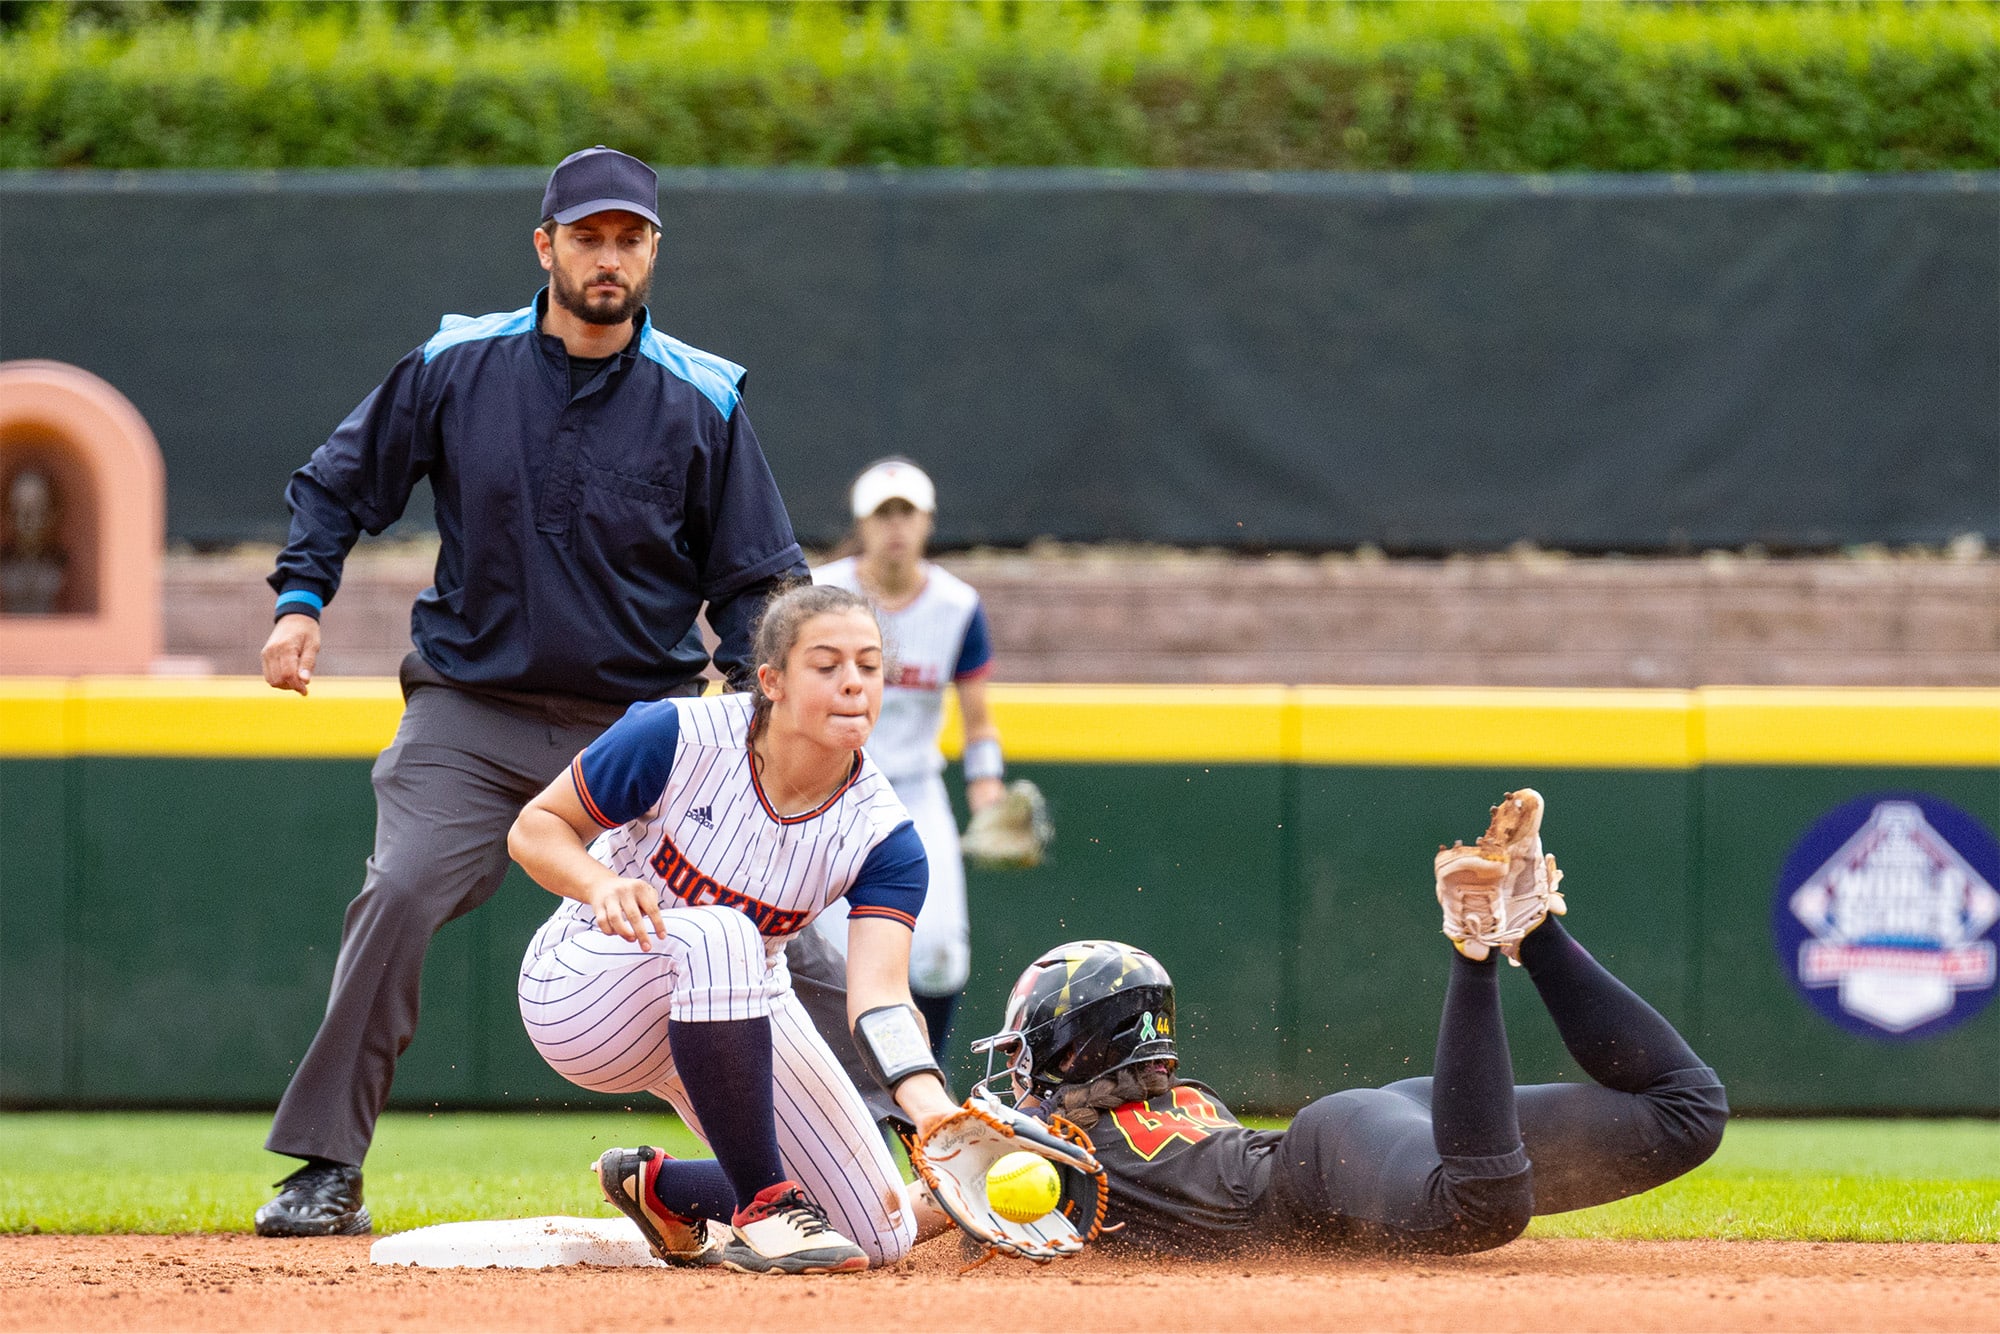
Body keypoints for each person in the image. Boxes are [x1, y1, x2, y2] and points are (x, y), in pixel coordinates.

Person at [253, 146, 809, 1237]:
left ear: (653, 251)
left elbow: (755, 580)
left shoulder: (702, 394)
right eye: (589, 237)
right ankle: (325, 1165)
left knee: (785, 921)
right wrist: (299, 600)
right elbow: (337, 479)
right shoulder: (459, 362)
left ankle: (873, 1139)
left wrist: (768, 712)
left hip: (638, 728)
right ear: (546, 245)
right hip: (471, 709)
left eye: (630, 238)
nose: (609, 258)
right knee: (400, 890)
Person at [964, 789, 1729, 1256]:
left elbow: (948, 1205)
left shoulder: (1065, 1153)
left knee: (1484, 1209)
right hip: (1386, 1123)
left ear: (1068, 1049)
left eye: (1031, 1045)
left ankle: (1475, 945)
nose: (1022, 1067)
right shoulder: (1150, 1112)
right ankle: (1532, 929)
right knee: (1686, 1112)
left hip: (1323, 1166)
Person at [511, 583, 962, 1273]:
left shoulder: (884, 836)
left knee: (878, 1234)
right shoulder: (675, 735)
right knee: (724, 933)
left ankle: (663, 1187)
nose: (853, 683)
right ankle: (766, 1209)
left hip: (736, 1014)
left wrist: (931, 1107)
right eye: (827, 664)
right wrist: (600, 883)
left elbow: (880, 997)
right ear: (772, 680)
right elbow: (534, 828)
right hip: (587, 989)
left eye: (869, 666)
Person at [802, 458, 1005, 1064]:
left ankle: (924, 1078)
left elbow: (978, 721)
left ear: (927, 522)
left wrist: (988, 793)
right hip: (830, 787)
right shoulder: (822, 592)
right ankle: (848, 1098)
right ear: (862, 522)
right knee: (837, 963)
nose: (895, 527)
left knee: (940, 952)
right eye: (882, 514)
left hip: (914, 790)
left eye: (906, 513)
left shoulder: (955, 605)